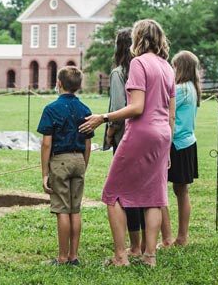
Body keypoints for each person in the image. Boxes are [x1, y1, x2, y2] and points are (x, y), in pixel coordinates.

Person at [79, 19, 175, 267]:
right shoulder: (167, 66)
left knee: (112, 194)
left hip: (141, 133)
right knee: (154, 197)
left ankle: (121, 256)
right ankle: (149, 256)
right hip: (163, 134)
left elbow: (136, 107)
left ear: (138, 38)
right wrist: (168, 149)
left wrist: (104, 117)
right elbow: (171, 113)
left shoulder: (139, 63)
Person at [37, 66, 94, 265]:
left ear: (58, 83)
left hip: (59, 161)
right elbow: (88, 144)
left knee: (62, 209)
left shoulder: (51, 109)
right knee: (75, 210)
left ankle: (62, 258)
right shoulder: (86, 110)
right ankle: (74, 256)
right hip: (79, 159)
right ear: (78, 86)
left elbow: (46, 143)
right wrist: (83, 164)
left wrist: (45, 173)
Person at [103, 28, 145, 257]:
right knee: (142, 192)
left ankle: (135, 247)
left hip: (125, 138)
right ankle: (145, 245)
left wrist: (110, 133)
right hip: (144, 137)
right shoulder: (144, 69)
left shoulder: (119, 73)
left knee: (123, 193)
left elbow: (118, 107)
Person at [159, 51, 201, 248]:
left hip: (176, 144)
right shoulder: (193, 88)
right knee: (181, 190)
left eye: (174, 67)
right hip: (188, 143)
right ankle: (181, 237)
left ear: (181, 68)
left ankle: (170, 238)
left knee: (162, 190)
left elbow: (163, 105)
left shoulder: (182, 89)